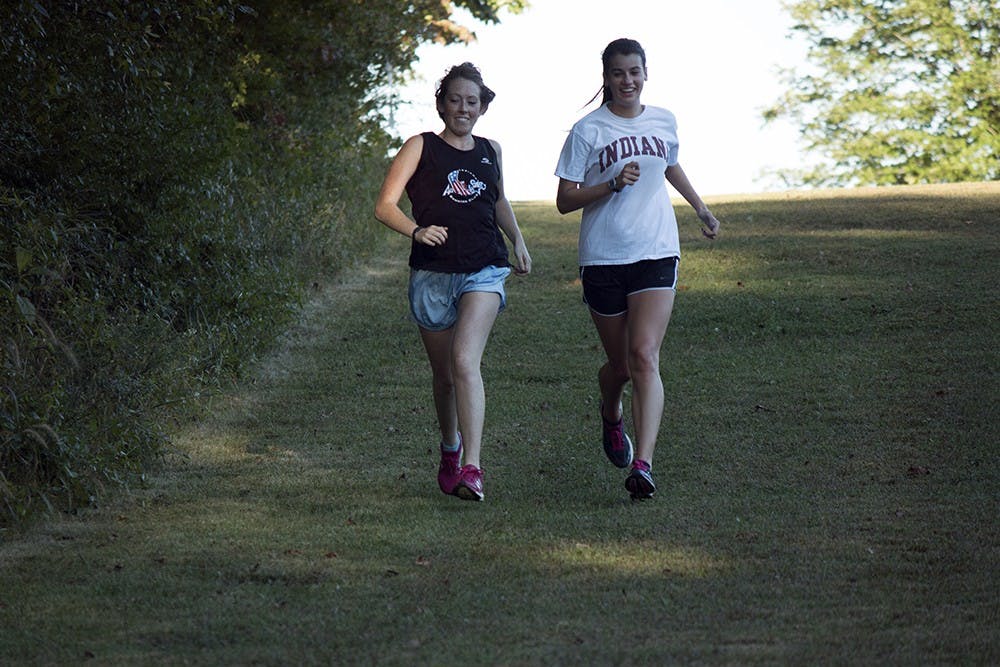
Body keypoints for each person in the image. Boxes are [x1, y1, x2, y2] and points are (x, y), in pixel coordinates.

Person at [554, 38, 720, 500]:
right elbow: (565, 201)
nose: (627, 81)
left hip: (656, 250)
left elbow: (669, 165)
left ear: (646, 73)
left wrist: (701, 209)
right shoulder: (587, 130)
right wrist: (609, 184)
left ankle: (643, 465)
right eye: (618, 73)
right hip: (604, 258)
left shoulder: (663, 120)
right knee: (621, 366)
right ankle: (610, 412)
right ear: (605, 78)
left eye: (634, 72)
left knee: (645, 355)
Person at [374, 62, 531, 502]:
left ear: (482, 108)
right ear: (442, 103)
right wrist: (417, 231)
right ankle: (450, 447)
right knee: (443, 376)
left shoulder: (490, 150)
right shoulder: (419, 147)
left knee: (465, 362)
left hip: (484, 266)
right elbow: (385, 206)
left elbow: (498, 201)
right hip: (432, 274)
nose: (464, 108)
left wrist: (517, 239)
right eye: (456, 100)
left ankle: (473, 468)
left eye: (472, 102)